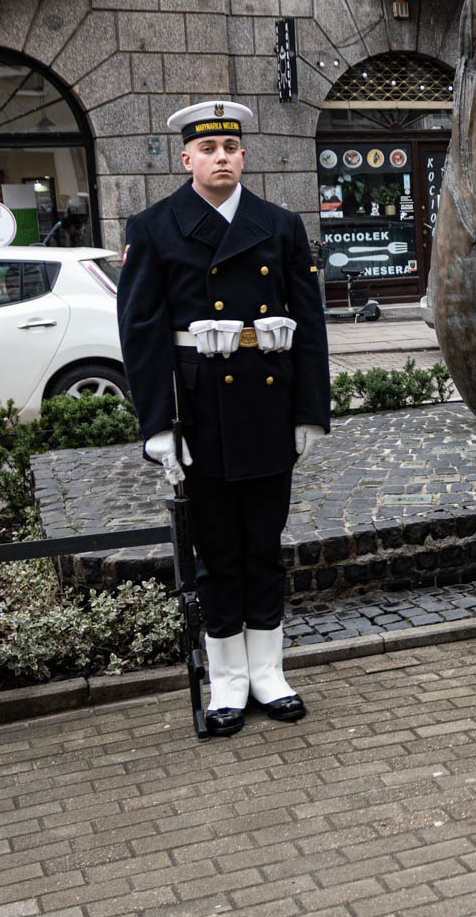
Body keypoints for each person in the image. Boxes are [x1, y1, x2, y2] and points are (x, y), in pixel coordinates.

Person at [117, 100, 331, 736]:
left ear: (244, 155)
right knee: (216, 554)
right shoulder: (153, 228)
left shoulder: (281, 225)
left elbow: (310, 324)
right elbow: (142, 334)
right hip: (201, 415)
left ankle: (269, 672)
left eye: (231, 148)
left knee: (264, 546)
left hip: (267, 407)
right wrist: (157, 425)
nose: (221, 158)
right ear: (186, 158)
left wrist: (310, 411)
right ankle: (229, 680)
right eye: (208, 149)